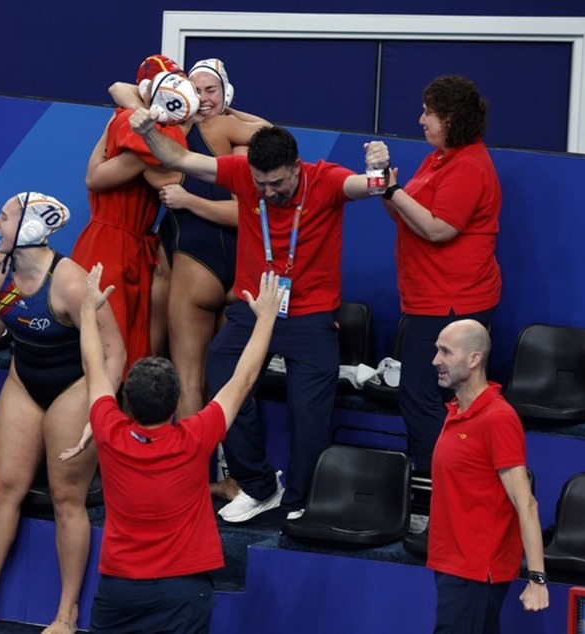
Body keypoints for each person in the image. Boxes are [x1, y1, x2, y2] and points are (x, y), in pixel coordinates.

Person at [129, 108, 390, 524]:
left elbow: (372, 187)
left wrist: (381, 169)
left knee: (310, 414)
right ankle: (259, 486)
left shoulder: (327, 180)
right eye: (260, 183)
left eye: (278, 182)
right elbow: (180, 160)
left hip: (311, 317)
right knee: (222, 378)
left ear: (296, 168)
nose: (268, 191)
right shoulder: (241, 174)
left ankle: (301, 500)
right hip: (253, 310)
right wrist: (147, 133)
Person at [0, 193, 125, 634]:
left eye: (3, 218)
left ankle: (66, 614)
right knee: (3, 487)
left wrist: (99, 410)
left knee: (67, 499)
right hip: (24, 382)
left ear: (28, 228)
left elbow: (114, 350)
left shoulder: (69, 282)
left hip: (74, 387)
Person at [67, 263, 282, 633]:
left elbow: (94, 365)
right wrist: (265, 319)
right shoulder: (196, 436)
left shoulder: (107, 429)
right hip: (183, 590)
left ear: (128, 404)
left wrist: (88, 310)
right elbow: (243, 379)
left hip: (119, 590)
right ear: (177, 400)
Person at [108, 57, 270, 501]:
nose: (203, 99)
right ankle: (232, 478)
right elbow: (273, 135)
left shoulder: (170, 138)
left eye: (212, 91)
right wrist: (229, 114)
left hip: (198, 261)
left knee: (192, 378)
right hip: (235, 267)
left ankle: (190, 482)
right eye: (195, 91)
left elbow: (120, 88)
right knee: (229, 379)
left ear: (227, 95)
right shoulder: (225, 133)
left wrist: (158, 107)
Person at [373, 76, 502, 532]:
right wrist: (387, 186)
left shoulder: (469, 167)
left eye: (428, 112)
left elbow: (438, 229)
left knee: (423, 398)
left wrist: (394, 193)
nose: (421, 119)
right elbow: (407, 214)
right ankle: (440, 497)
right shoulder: (438, 159)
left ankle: (436, 502)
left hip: (453, 303)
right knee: (421, 397)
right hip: (428, 299)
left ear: (450, 119)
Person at [74, 54, 194, 373]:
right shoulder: (140, 127)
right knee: (107, 355)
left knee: (128, 355)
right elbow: (94, 179)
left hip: (133, 248)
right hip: (109, 249)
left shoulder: (133, 119)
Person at [428, 319, 549, 632]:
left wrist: (537, 579)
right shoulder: (456, 412)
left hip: (476, 569)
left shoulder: (497, 419)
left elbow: (527, 504)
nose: (435, 360)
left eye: (445, 352)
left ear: (474, 359)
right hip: (451, 562)